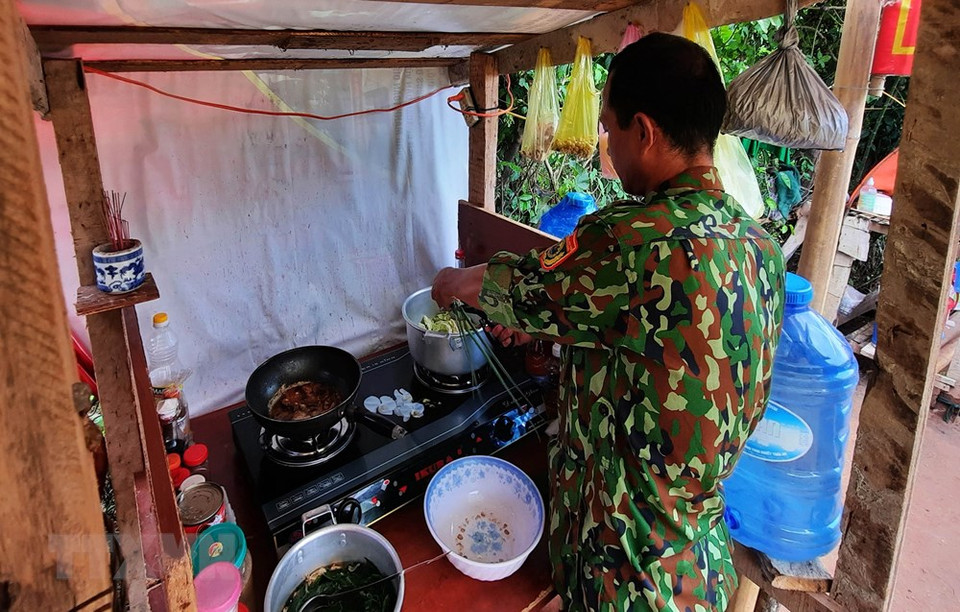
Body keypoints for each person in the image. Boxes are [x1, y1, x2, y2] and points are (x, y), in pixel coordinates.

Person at [432, 32, 785, 612]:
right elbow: (659, 342)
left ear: (643, 131)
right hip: (698, 565)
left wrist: (451, 283)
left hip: (624, 576)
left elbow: (519, 286)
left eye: (608, 129)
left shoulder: (632, 237)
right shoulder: (759, 247)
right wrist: (547, 325)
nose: (606, 146)